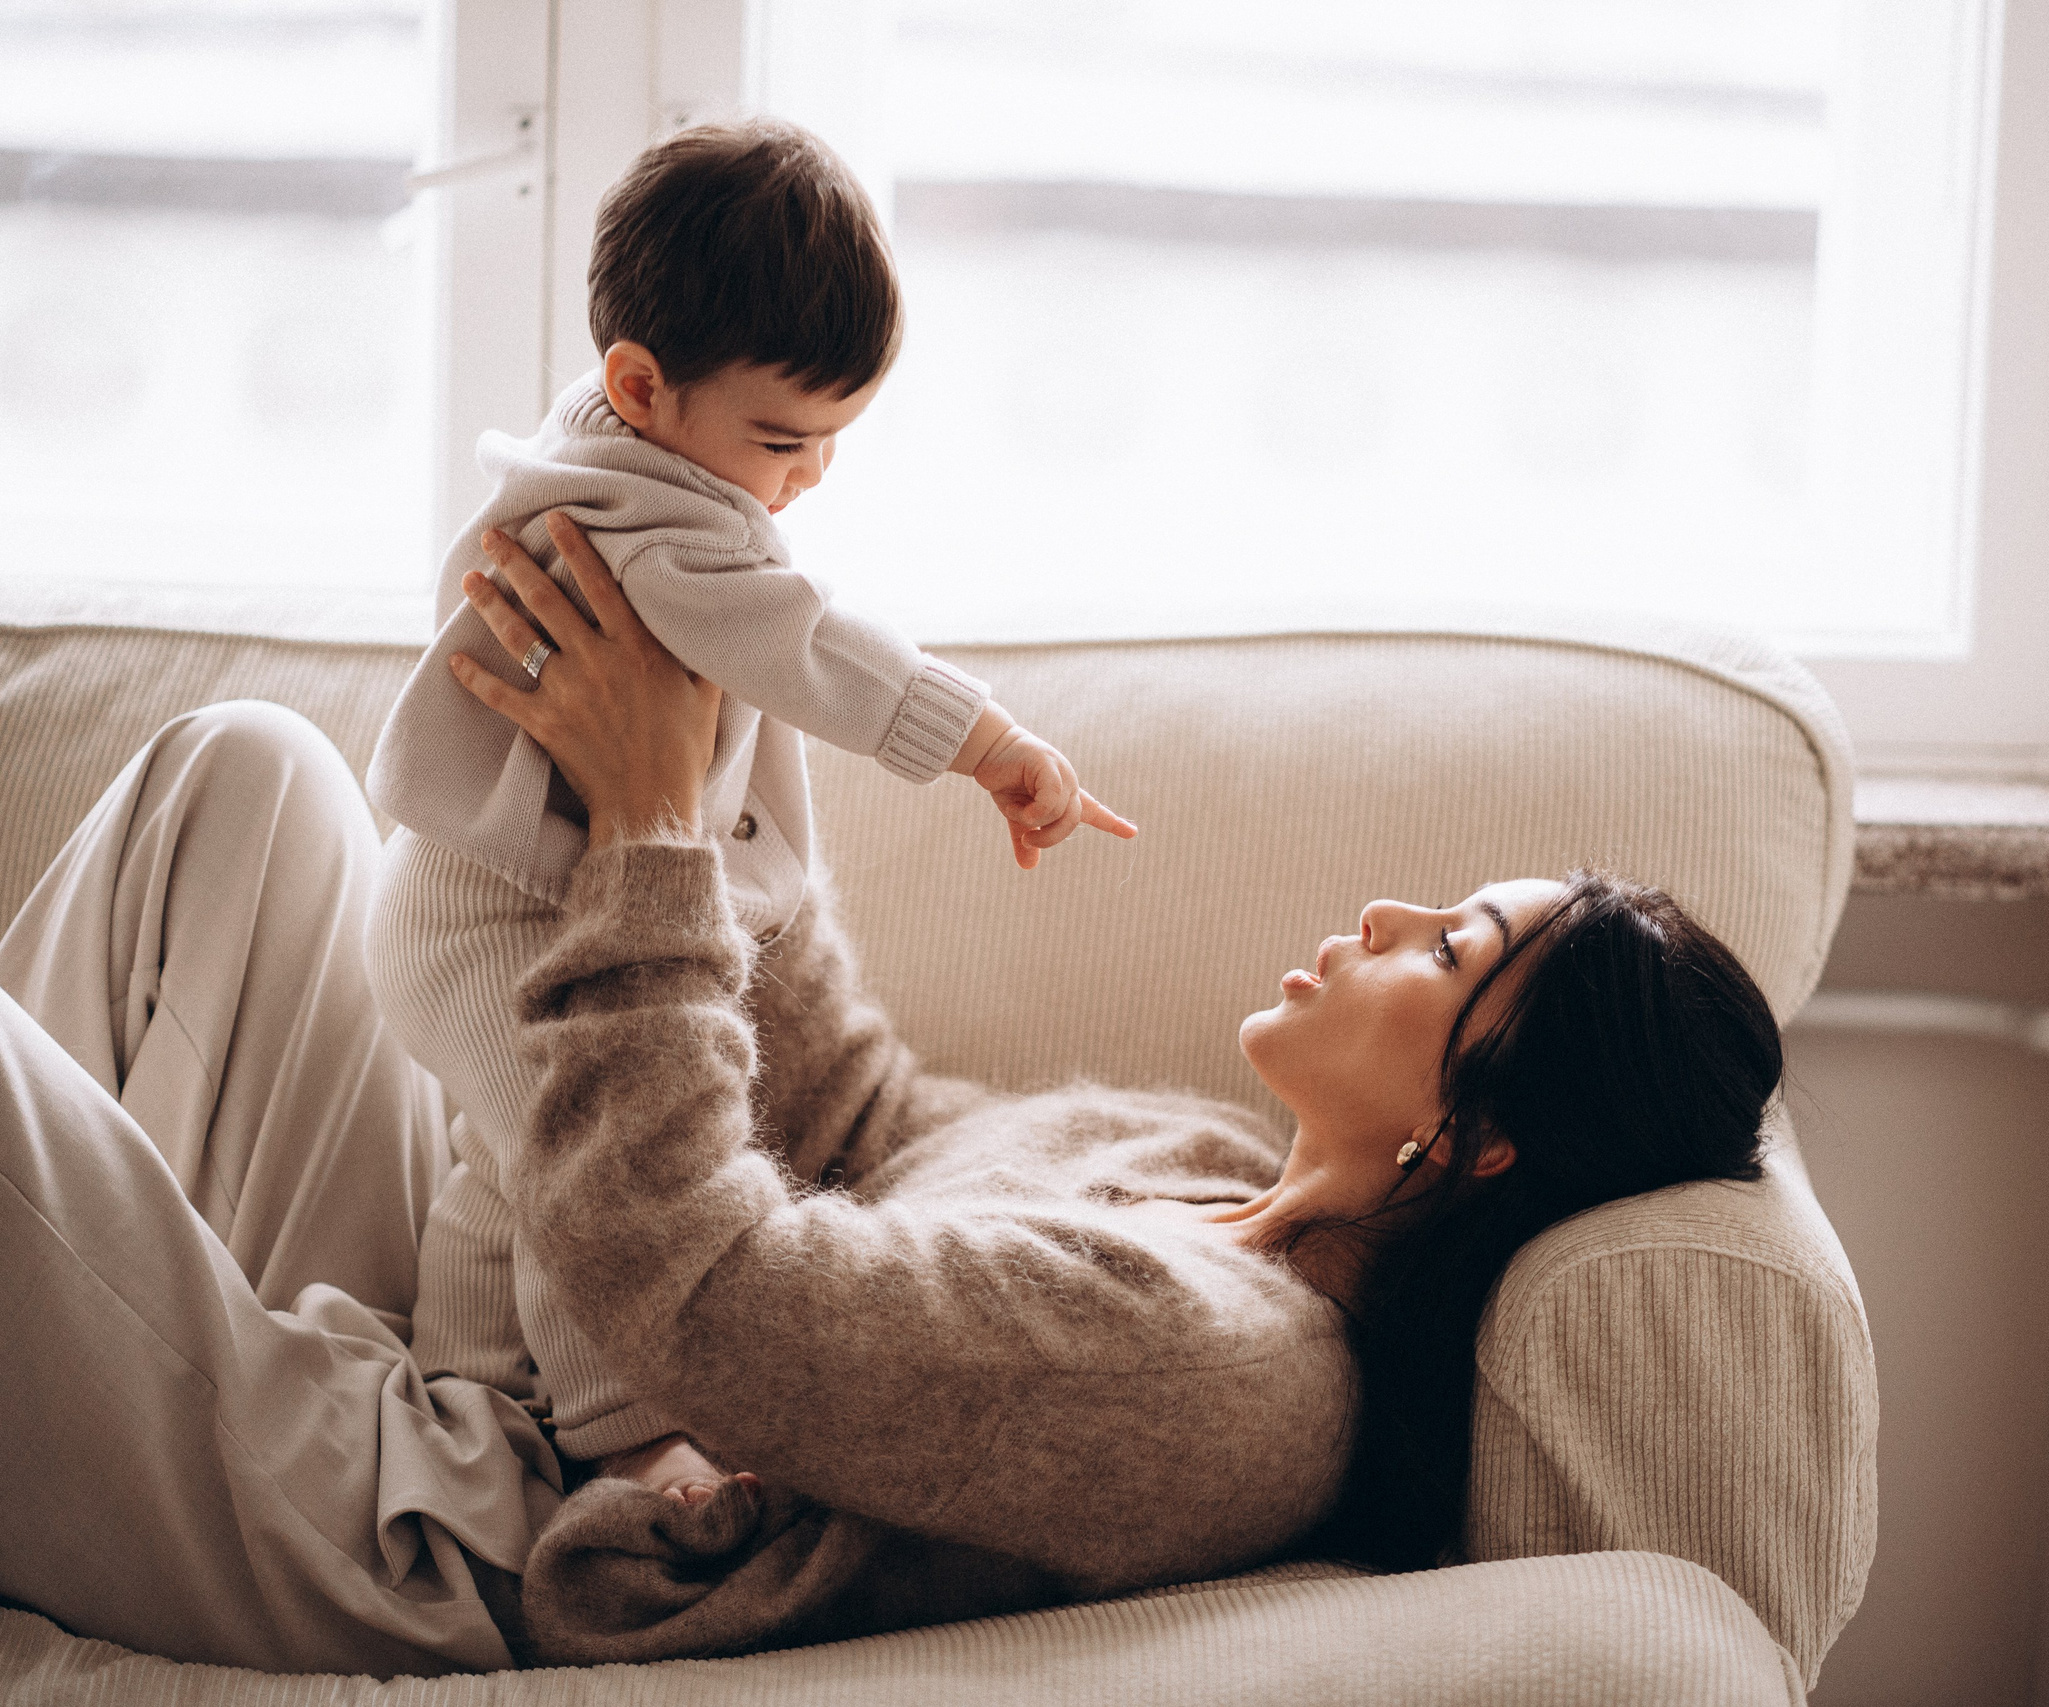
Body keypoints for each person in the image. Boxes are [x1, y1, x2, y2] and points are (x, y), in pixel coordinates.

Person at [0, 520, 1783, 1673]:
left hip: (465, 1528)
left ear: (1470, 1141)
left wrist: (655, 828)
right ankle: (74, 1409)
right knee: (230, 786)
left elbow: (690, 1293)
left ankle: (93, 1396)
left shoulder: (1229, 1380)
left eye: (1451, 951)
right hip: (478, 1332)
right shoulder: (1187, 1165)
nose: (1391, 914)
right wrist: (737, 707)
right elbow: (848, 1112)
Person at [363, 115, 1135, 1502]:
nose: (810, 478)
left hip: (507, 919)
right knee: (570, 1159)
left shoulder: (620, 462)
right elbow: (813, 644)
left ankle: (467, 1387)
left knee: (501, 1175)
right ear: (641, 385)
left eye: (837, 438)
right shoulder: (641, 527)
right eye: (784, 438)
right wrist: (987, 741)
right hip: (487, 926)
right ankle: (627, 1440)